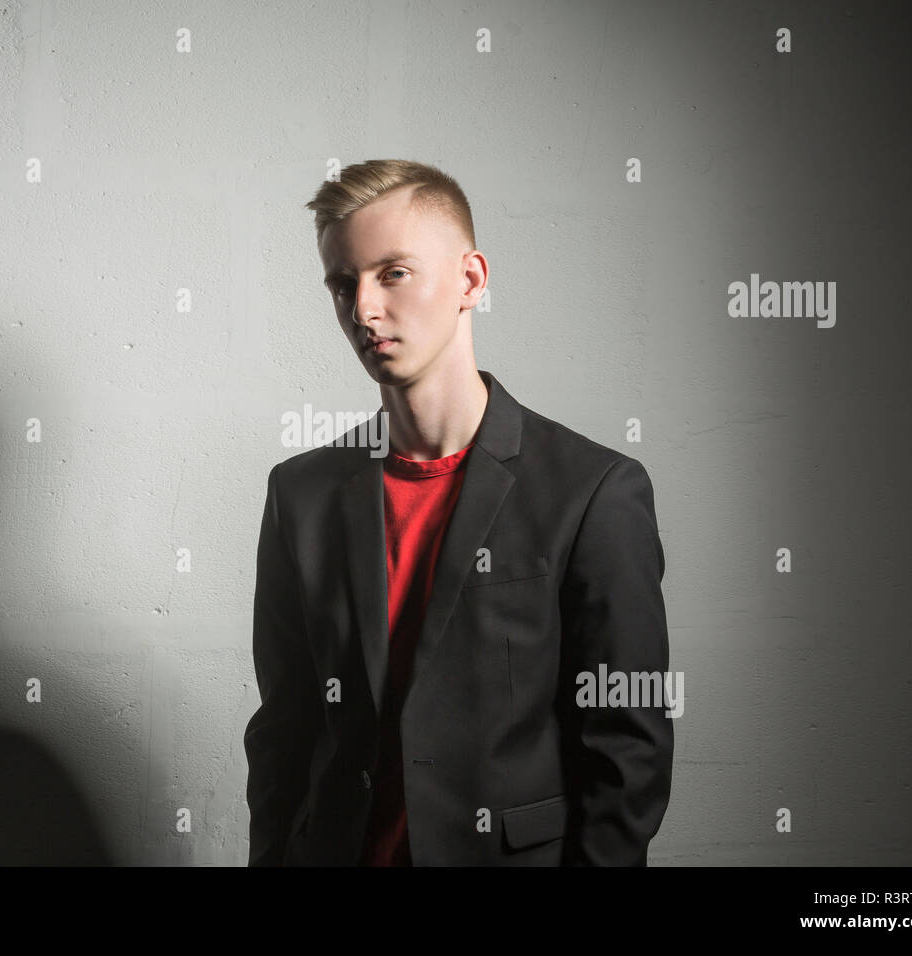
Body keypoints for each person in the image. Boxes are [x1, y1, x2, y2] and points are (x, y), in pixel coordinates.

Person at [244, 159, 673, 866]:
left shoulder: (593, 491)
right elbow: (284, 733)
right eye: (343, 284)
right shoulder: (302, 494)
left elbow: (627, 748)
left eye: (393, 274)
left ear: (471, 280)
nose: (363, 309)